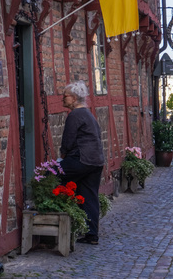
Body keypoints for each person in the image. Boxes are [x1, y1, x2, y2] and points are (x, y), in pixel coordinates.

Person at [59, 81, 105, 245]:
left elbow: (68, 140)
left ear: (74, 98)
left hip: (82, 159)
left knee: (49, 177)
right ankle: (92, 235)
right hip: (96, 161)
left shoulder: (75, 115)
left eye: (65, 96)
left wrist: (63, 156)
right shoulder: (88, 114)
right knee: (89, 195)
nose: (62, 100)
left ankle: (55, 220)